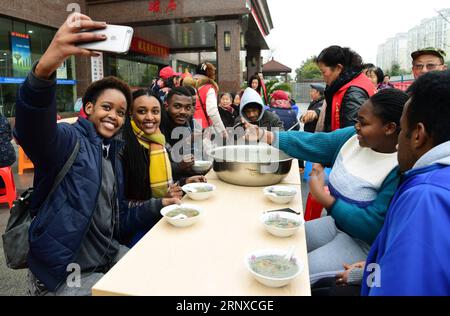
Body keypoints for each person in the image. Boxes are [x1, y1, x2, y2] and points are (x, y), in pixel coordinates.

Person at [14, 13, 166, 296]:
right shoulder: (69, 140)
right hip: (65, 274)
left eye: (121, 112)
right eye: (107, 107)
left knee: (160, 276)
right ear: (88, 109)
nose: (114, 116)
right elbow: (32, 130)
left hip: (108, 258)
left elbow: (119, 220)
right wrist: (45, 68)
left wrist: (160, 204)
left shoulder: (113, 154)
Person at [243, 89, 409, 276]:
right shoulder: (352, 139)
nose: (356, 127)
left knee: (297, 271)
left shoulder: (399, 167)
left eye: (364, 123)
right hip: (334, 224)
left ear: (389, 128)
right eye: (357, 121)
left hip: (363, 243)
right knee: (278, 243)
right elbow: (315, 142)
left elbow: (373, 226)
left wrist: (327, 200)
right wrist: (267, 136)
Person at [361, 71, 450, 296]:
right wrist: (371, 271)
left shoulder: (425, 197)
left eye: (402, 129)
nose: (398, 143)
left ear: (418, 135)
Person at [121, 89, 206, 246]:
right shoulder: (122, 147)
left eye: (155, 111)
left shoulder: (158, 140)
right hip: (135, 230)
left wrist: (184, 183)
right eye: (141, 111)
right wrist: (159, 201)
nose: (150, 117)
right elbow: (121, 209)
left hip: (160, 215)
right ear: (130, 114)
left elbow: (163, 186)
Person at [315, 46, 376, 132]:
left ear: (338, 68)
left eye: (323, 72)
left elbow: (351, 134)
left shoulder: (353, 93)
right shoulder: (353, 81)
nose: (323, 77)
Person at [193, 62, 226, 138]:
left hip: (188, 125)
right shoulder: (209, 88)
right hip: (202, 127)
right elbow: (212, 111)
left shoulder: (188, 85)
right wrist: (222, 131)